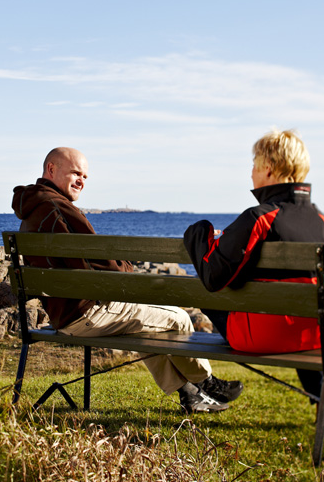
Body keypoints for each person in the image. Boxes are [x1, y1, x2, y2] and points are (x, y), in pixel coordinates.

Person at [12, 146, 243, 414]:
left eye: (85, 177)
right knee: (178, 318)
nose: (81, 181)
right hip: (87, 314)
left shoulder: (31, 210)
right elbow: (99, 262)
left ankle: (189, 394)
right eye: (76, 173)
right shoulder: (59, 209)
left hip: (63, 317)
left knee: (149, 328)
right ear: (51, 169)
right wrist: (126, 267)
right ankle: (208, 383)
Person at [183, 129, 324, 419]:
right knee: (301, 308)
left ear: (269, 170)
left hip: (261, 337)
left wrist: (198, 233)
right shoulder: (321, 220)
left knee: (208, 292)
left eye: (254, 165)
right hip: (317, 335)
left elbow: (212, 276)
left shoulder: (259, 217)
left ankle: (197, 384)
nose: (251, 173)